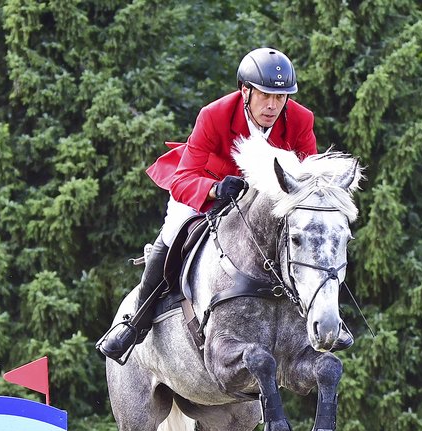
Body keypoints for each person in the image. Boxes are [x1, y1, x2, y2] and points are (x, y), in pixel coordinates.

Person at [96, 47, 350, 363]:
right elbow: (183, 177)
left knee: (314, 235)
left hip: (262, 205)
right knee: (174, 231)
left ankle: (323, 317)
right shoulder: (214, 115)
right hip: (208, 195)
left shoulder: (300, 119)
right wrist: (215, 188)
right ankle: (137, 322)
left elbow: (309, 178)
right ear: (245, 91)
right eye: (265, 96)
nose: (273, 106)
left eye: (280, 98)